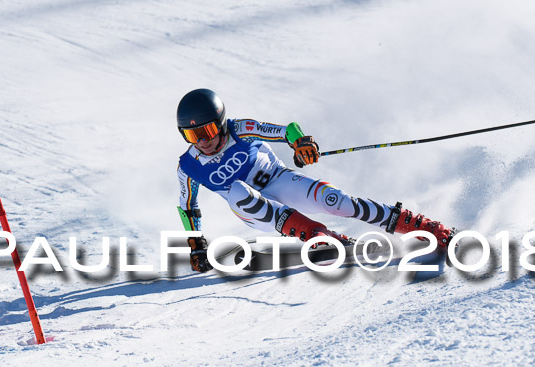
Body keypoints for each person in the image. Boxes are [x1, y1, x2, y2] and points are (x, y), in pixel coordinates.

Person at [176, 88, 454, 273]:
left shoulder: (241, 128)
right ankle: (316, 235)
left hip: (279, 181)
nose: (203, 141)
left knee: (336, 201)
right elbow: (187, 206)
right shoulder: (188, 166)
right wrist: (196, 245)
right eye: (192, 136)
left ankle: (423, 226)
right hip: (252, 211)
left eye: (208, 130)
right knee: (237, 190)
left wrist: (301, 143)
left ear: (221, 122)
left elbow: (286, 131)